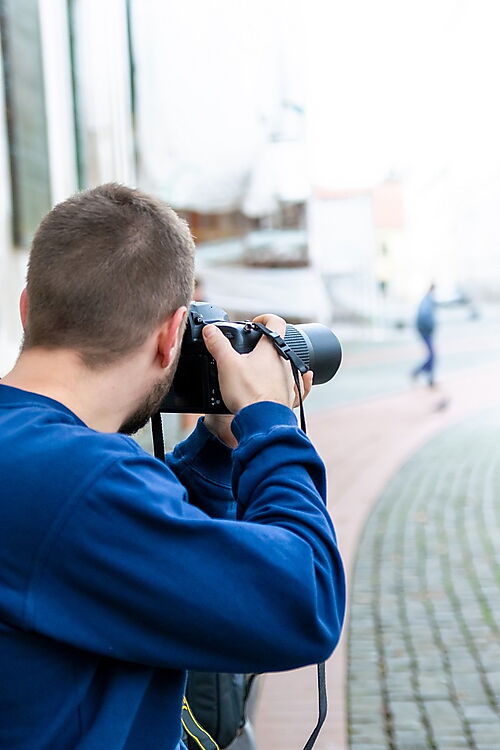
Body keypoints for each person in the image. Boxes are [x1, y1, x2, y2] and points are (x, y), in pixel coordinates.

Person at [0, 184, 345, 750]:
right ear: (170, 337)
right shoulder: (80, 481)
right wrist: (272, 424)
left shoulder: (41, 462)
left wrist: (217, 449)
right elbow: (304, 600)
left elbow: (123, 559)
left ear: (27, 308)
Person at [412, 283, 437, 387]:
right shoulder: (427, 300)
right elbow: (423, 316)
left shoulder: (428, 300)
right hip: (425, 331)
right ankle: (419, 373)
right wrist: (429, 328)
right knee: (432, 355)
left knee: (432, 355)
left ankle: (428, 377)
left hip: (425, 331)